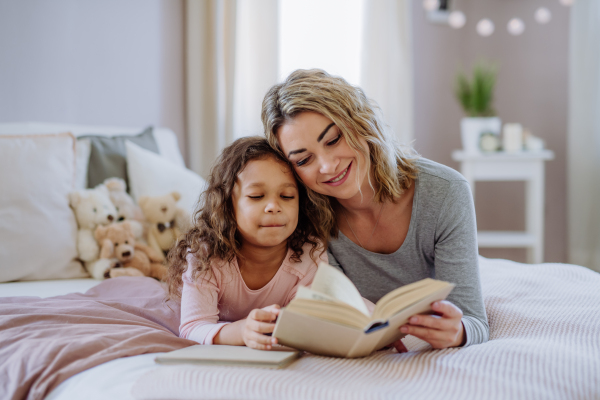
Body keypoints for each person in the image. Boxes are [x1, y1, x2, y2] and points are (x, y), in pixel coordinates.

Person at [261, 69, 489, 351]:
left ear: (360, 123)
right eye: (305, 159)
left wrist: (458, 333)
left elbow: (475, 321)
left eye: (333, 140)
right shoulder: (305, 214)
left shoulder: (445, 192)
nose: (328, 166)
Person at [167, 136, 328, 350]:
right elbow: (193, 327)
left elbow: (303, 325)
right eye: (256, 196)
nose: (273, 206)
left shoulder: (310, 255)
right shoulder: (205, 255)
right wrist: (242, 331)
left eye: (287, 196)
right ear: (226, 206)